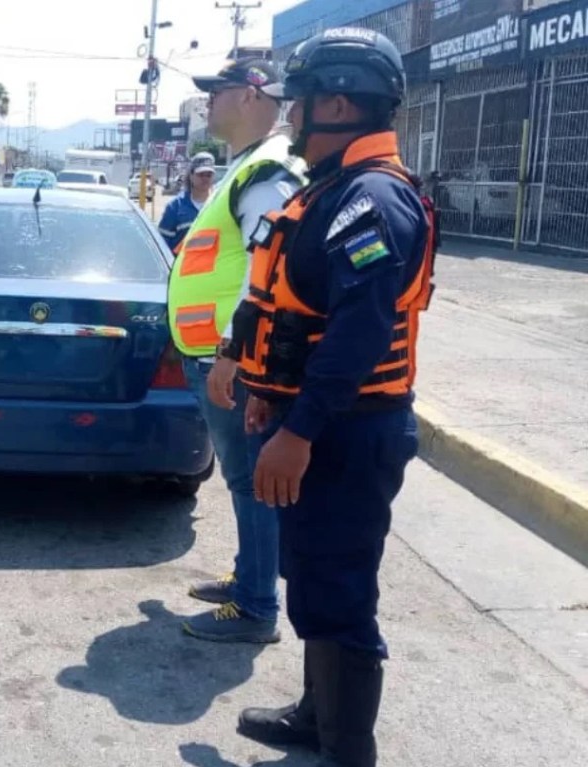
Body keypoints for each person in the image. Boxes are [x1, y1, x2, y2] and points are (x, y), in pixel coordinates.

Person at [226, 29, 436, 766]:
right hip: (316, 421)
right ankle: (318, 715)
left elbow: (359, 331)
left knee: (341, 588)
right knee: (312, 573)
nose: (289, 121)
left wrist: (299, 429)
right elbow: (297, 314)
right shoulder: (334, 189)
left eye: (301, 105)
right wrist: (267, 393)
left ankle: (349, 750)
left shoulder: (372, 198)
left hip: (348, 431)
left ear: (340, 104)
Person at [168, 58, 307, 643]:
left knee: (252, 483)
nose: (208, 103)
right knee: (243, 481)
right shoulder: (247, 167)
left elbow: (266, 273)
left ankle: (255, 608)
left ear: (251, 95)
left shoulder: (268, 171)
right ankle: (251, 579)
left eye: (216, 92)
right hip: (222, 357)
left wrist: (231, 352)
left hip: (235, 362)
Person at [157, 151, 216, 253]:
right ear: (191, 176)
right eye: (201, 174)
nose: (205, 178)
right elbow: (163, 245)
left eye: (209, 175)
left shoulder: (219, 205)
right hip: (184, 267)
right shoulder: (175, 208)